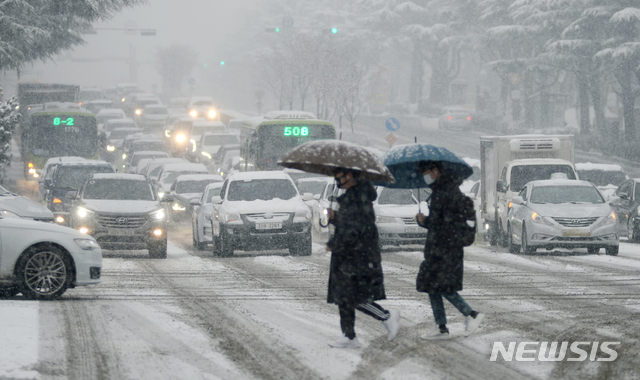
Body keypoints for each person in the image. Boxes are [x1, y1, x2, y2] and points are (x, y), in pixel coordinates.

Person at [325, 167, 400, 348]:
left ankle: (387, 316)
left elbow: (354, 229)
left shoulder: (357, 199)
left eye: (339, 176)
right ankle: (349, 335)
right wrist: (335, 217)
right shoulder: (353, 197)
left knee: (353, 297)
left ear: (349, 176)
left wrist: (334, 242)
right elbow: (349, 223)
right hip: (349, 255)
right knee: (343, 297)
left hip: (357, 256)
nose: (337, 180)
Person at [415, 160, 484, 339]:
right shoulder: (443, 190)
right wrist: (426, 222)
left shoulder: (446, 192)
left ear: (435, 171)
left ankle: (471, 315)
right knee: (433, 286)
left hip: (445, 248)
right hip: (441, 247)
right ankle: (441, 327)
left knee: (442, 286)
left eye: (426, 172)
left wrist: (427, 222)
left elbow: (445, 224)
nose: (425, 177)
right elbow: (442, 222)